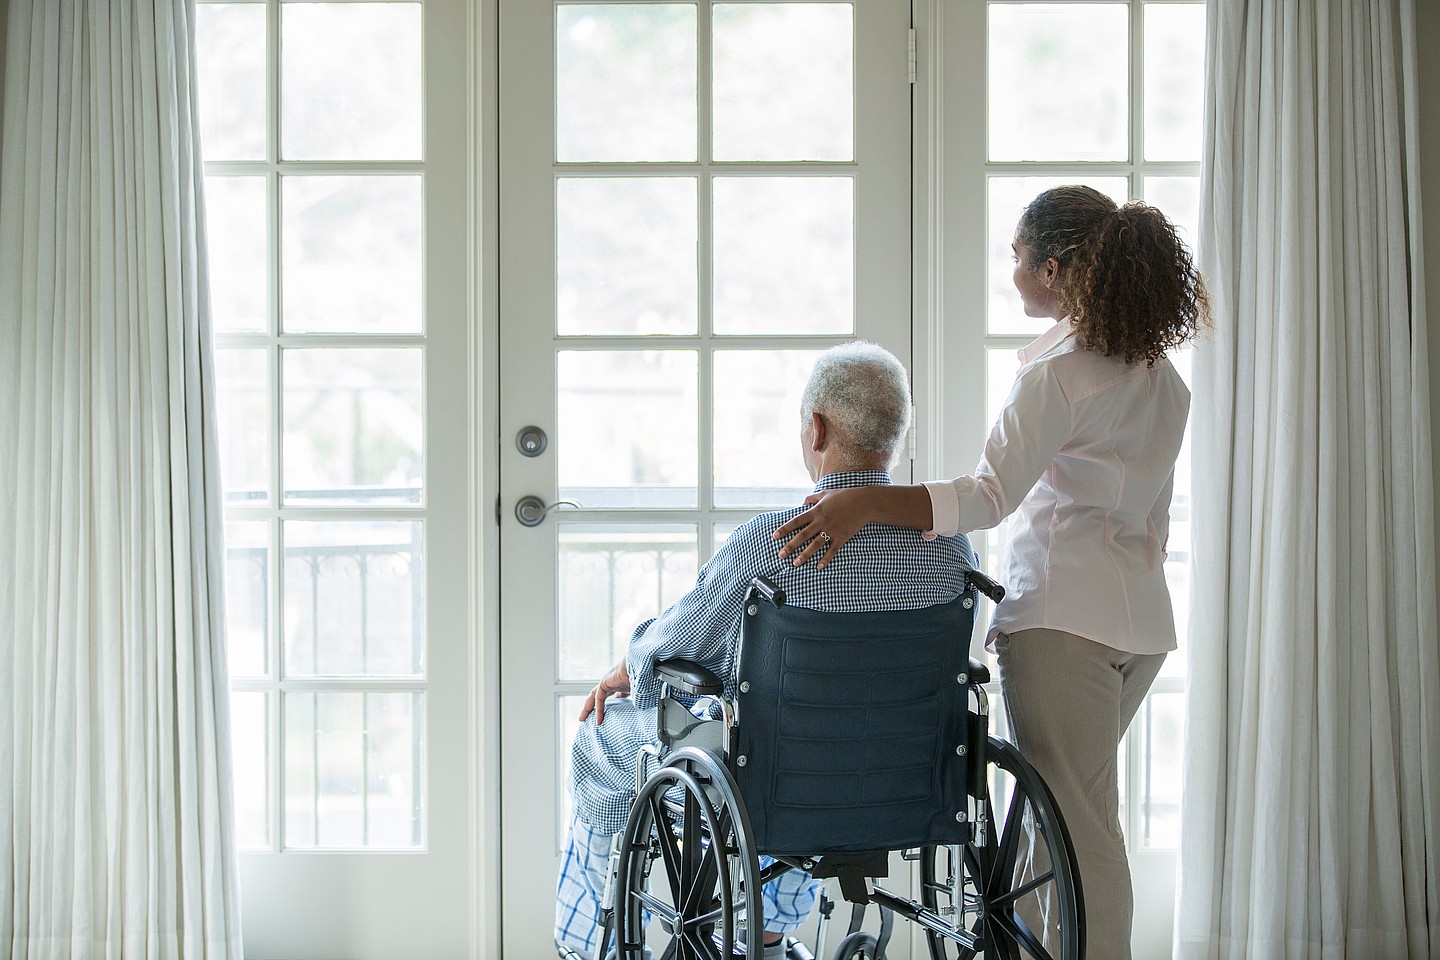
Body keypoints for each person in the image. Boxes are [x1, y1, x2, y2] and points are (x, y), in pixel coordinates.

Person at [773, 185, 1209, 960]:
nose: (1010, 270)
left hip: (1063, 624)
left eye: (1016, 255)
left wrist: (865, 502)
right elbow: (1156, 518)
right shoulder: (1161, 379)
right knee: (1079, 815)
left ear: (1053, 267)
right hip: (1140, 623)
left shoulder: (1059, 377)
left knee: (1079, 830)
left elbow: (989, 496)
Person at [555, 342, 978, 960]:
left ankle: (583, 942)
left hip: (778, 780)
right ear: (893, 438)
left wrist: (632, 663)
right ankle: (773, 931)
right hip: (900, 780)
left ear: (817, 428)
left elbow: (683, 645)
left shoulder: (775, 540)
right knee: (797, 740)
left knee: (599, 739)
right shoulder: (948, 547)